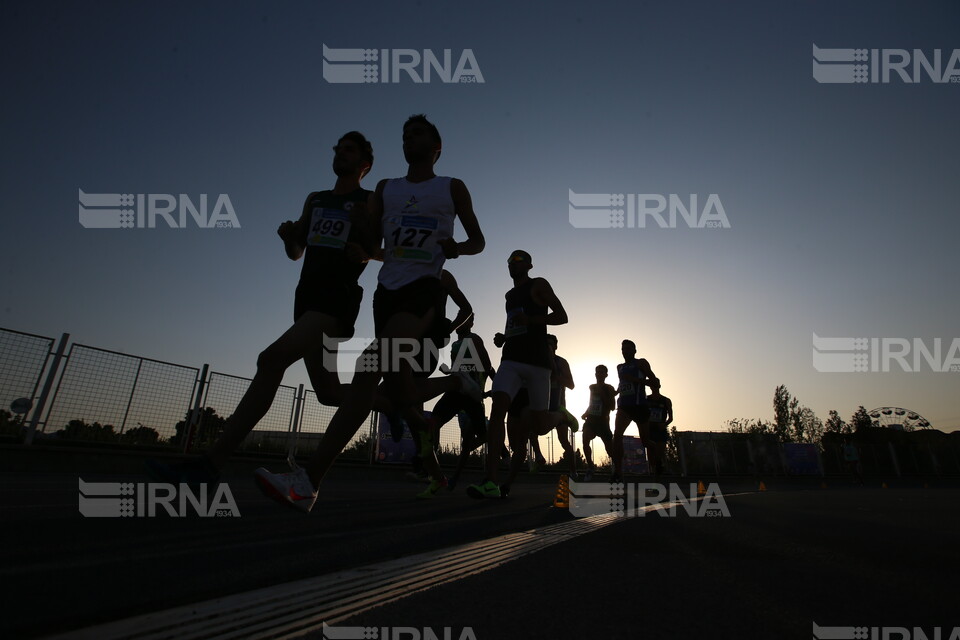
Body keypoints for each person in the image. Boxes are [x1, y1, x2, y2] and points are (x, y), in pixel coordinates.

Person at [254, 114, 484, 512]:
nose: (408, 139)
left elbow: (478, 241)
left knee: (367, 367)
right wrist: (365, 248)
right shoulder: (386, 188)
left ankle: (308, 482)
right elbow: (380, 246)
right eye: (404, 135)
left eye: (417, 134)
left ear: (436, 147)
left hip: (422, 289)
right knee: (397, 392)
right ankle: (455, 385)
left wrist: (456, 248)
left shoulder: (451, 187)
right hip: (386, 292)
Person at [147, 131, 377, 485]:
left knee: (271, 360)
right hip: (307, 298)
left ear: (365, 164)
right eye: (338, 149)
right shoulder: (315, 199)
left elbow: (379, 247)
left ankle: (209, 465)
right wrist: (289, 238)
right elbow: (297, 250)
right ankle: (401, 407)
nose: (340, 154)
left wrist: (362, 249)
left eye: (349, 150)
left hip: (337, 298)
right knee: (330, 393)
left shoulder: (369, 200)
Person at [468, 250, 568, 499]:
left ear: (530, 265)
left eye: (519, 260)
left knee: (541, 426)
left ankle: (560, 416)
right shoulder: (509, 295)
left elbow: (562, 316)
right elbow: (515, 323)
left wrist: (532, 319)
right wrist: (504, 337)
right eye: (510, 261)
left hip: (537, 363)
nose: (513, 264)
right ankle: (491, 480)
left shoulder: (539, 284)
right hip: (511, 359)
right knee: (497, 408)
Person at [425, 314, 495, 489]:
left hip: (471, 394)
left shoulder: (474, 339)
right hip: (457, 390)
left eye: (465, 319)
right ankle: (433, 470)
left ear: (471, 324)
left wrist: (499, 386)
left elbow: (487, 365)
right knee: (434, 422)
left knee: (474, 439)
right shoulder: (455, 344)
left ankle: (458, 475)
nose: (460, 323)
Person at [611, 339, 656, 482]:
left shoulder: (641, 363)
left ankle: (656, 466)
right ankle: (618, 473)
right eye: (623, 349)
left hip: (639, 405)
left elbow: (655, 382)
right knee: (617, 436)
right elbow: (623, 384)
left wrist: (634, 379)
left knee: (645, 442)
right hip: (624, 406)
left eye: (629, 349)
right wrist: (615, 392)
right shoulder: (619, 367)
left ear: (635, 350)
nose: (625, 351)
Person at [529, 334, 576, 469]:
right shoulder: (537, 361)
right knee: (532, 432)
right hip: (542, 404)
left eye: (551, 344)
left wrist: (556, 377)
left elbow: (571, 385)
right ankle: (538, 456)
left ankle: (573, 471)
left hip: (558, 407)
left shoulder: (562, 362)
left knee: (564, 441)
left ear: (556, 346)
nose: (549, 346)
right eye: (546, 344)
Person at [581, 364, 616, 481]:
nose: (599, 374)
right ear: (595, 374)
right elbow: (592, 403)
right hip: (591, 420)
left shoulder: (609, 388)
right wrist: (586, 412)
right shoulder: (592, 387)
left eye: (602, 372)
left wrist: (602, 394)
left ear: (606, 375)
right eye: (598, 372)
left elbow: (612, 406)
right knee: (585, 439)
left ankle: (616, 469)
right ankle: (590, 467)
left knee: (610, 450)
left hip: (603, 422)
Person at [644, 378, 672, 475]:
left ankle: (661, 470)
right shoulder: (646, 399)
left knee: (659, 455)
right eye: (652, 385)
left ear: (659, 386)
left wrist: (664, 424)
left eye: (656, 385)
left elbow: (671, 418)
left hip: (660, 430)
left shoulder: (666, 401)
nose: (654, 387)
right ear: (650, 387)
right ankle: (654, 478)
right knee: (651, 457)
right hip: (649, 430)